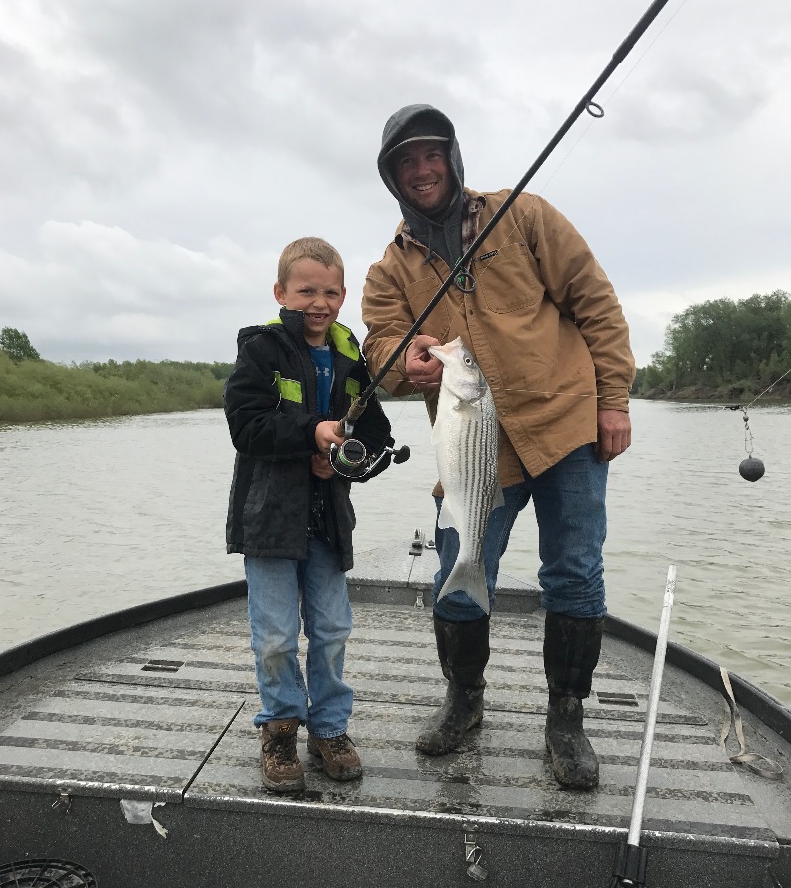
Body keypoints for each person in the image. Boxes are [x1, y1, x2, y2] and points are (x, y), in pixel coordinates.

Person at [361, 105, 635, 790]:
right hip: (473, 442)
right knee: (459, 565)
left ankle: (566, 719)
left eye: (431, 154)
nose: (422, 170)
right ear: (392, 176)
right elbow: (379, 342)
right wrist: (407, 360)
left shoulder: (525, 214)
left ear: (452, 157)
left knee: (573, 571)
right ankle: (464, 700)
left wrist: (615, 400)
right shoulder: (389, 267)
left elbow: (595, 302)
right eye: (406, 161)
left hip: (566, 422)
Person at [225, 236, 393, 794]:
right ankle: (279, 729)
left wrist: (343, 464)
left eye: (329, 292)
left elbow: (376, 436)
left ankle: (330, 729)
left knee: (332, 629)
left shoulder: (352, 357)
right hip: (268, 518)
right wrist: (310, 438)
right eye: (305, 291)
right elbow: (245, 427)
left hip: (326, 520)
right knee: (274, 635)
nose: (318, 303)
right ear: (280, 292)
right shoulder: (261, 351)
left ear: (343, 295)